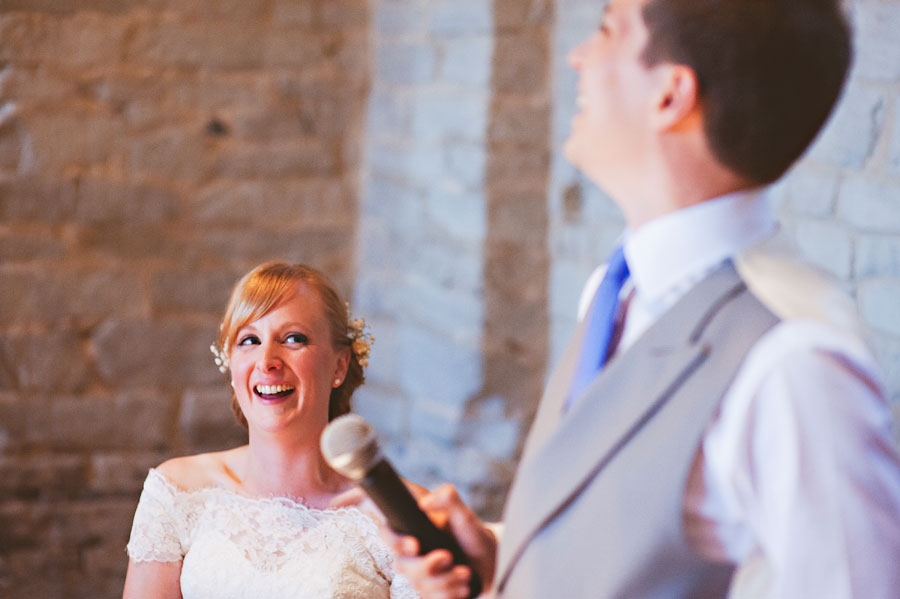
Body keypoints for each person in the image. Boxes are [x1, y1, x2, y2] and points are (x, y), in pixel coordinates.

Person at [383, 0, 900, 597]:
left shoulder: (794, 362)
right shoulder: (615, 291)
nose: (577, 56)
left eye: (605, 32)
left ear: (671, 95)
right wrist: (506, 570)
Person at [122, 261, 419, 599]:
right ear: (231, 364)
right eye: (249, 340)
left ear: (339, 364)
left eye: (294, 338)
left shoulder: (396, 515)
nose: (267, 362)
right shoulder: (177, 492)